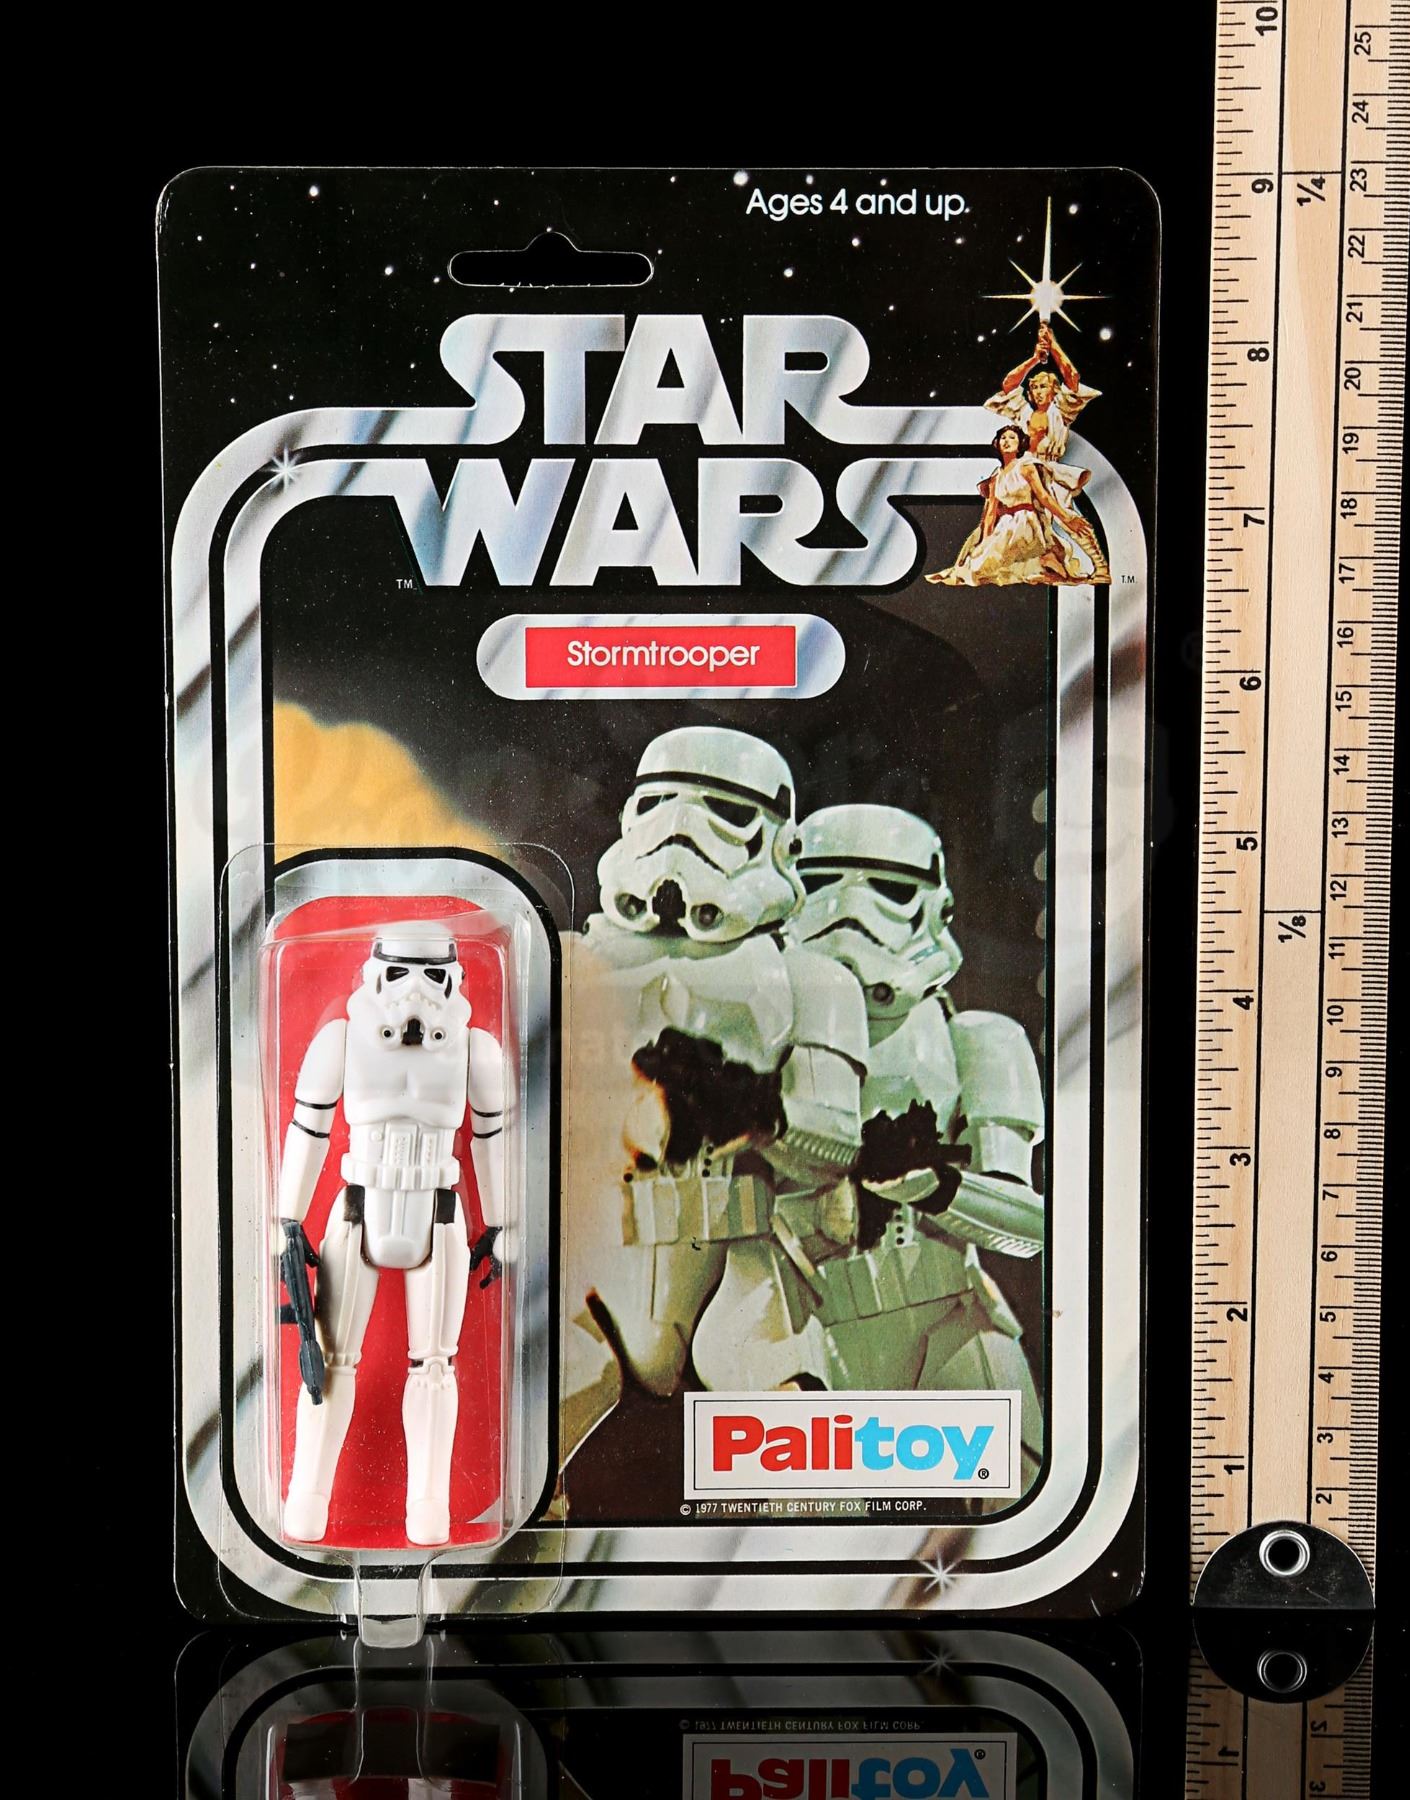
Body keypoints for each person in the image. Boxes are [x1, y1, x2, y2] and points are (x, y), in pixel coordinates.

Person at [927, 422, 1106, 587]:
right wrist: (984, 542)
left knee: (982, 569)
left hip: (1026, 523)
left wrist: (1065, 517)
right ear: (997, 444)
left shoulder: (1026, 466)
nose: (1007, 441)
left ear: (1020, 444)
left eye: (1012, 438)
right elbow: (990, 513)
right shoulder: (996, 477)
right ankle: (1044, 564)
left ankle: (1046, 561)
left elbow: (1043, 496)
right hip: (1005, 525)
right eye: (1003, 438)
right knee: (979, 567)